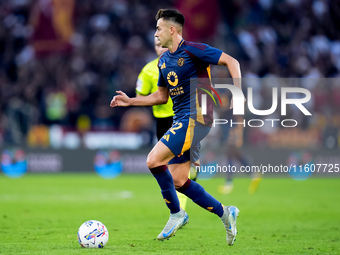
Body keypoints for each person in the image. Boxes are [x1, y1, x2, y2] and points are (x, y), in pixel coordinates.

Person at [110, 9, 242, 246]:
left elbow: (231, 61)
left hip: (198, 117)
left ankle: (177, 213)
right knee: (179, 180)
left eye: (159, 28)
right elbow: (161, 96)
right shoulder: (163, 61)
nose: (156, 33)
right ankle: (226, 213)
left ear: (172, 29)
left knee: (153, 160)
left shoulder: (194, 49)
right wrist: (131, 101)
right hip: (181, 119)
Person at [136, 38, 196, 210]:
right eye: (156, 46)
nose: (160, 49)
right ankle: (179, 207)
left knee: (179, 168)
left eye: (162, 45)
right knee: (169, 166)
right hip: (162, 121)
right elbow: (140, 96)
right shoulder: (148, 70)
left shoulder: (182, 63)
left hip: (182, 118)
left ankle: (179, 209)